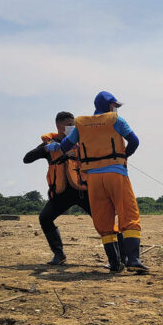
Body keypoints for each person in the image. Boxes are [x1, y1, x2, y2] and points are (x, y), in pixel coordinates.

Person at [46, 91, 148, 273]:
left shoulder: (81, 124)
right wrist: (124, 155)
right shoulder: (116, 120)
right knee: (129, 215)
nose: (115, 109)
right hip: (116, 174)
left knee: (104, 220)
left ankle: (115, 264)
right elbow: (134, 141)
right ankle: (133, 259)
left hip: (93, 179)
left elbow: (65, 146)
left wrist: (54, 147)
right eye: (114, 106)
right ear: (108, 106)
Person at [23, 111, 123, 265]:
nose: (72, 127)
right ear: (58, 126)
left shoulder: (83, 141)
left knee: (106, 222)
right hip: (62, 193)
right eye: (69, 125)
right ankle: (59, 255)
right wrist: (46, 149)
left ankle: (120, 258)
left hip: (85, 191)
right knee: (45, 217)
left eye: (74, 124)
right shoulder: (50, 143)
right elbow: (27, 159)